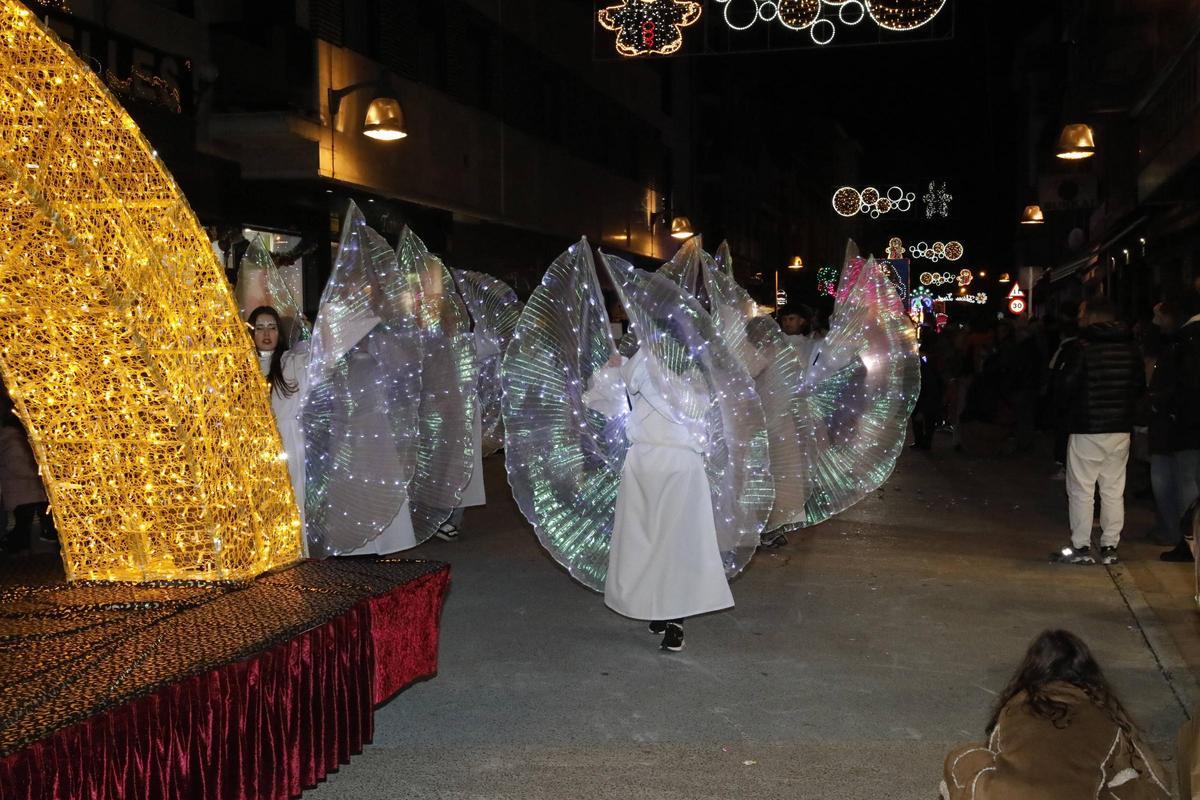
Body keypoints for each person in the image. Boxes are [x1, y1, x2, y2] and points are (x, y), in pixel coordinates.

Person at [583, 344, 733, 653]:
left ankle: (674, 617)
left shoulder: (690, 379)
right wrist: (615, 368)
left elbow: (686, 406)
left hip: (678, 466)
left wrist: (633, 367)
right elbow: (600, 399)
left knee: (674, 541)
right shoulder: (640, 369)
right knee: (643, 539)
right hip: (643, 464)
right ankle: (658, 607)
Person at [942, 630, 1168, 800]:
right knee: (1124, 778)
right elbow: (1156, 783)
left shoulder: (1017, 703)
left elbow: (994, 752)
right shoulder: (1107, 713)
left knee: (965, 755)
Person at [1054, 297, 1145, 565]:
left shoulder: (1083, 348)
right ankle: (1109, 546)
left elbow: (1067, 385)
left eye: (1083, 312)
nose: (1079, 316)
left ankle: (1081, 546)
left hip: (1087, 425)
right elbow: (1138, 387)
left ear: (1094, 317)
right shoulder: (1131, 349)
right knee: (1113, 488)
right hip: (1119, 428)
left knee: (1081, 487)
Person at [249, 305, 310, 536]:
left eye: (272, 328)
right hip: (255, 442)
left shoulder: (291, 362)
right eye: (260, 328)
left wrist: (308, 333)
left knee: (291, 494)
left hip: (288, 441)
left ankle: (293, 546)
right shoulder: (244, 367)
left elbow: (319, 360)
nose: (266, 334)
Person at [1152, 295, 1200, 562]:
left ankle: (1188, 541)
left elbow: (1183, 385)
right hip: (1189, 421)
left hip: (1187, 424)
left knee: (1187, 482)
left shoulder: (1185, 341)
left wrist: (1167, 410)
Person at [0, 413, 56, 553]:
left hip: (23, 491)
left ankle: (19, 550)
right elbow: (19, 466)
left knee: (24, 525)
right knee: (24, 526)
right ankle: (16, 549)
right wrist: (39, 474)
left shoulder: (10, 440)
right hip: (25, 491)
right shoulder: (14, 441)